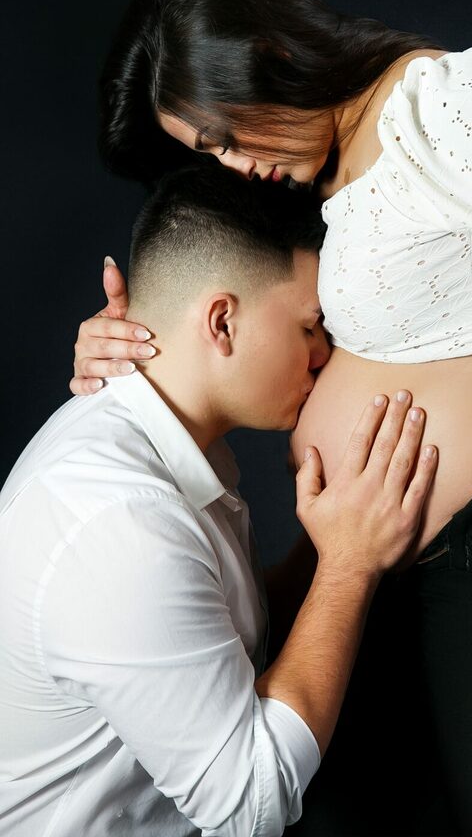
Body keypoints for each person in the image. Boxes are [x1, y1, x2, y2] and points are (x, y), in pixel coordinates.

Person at [71, 0, 472, 835]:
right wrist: (126, 340)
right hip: (406, 559)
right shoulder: (319, 179)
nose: (234, 164)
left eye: (224, 136)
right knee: (340, 811)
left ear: (265, 53)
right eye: (209, 155)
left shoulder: (435, 104)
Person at [0, 163, 438, 837]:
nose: (323, 353)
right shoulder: (118, 521)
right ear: (223, 322)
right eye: (310, 326)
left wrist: (336, 541)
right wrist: (348, 567)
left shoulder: (173, 448)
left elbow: (219, 639)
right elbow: (247, 806)